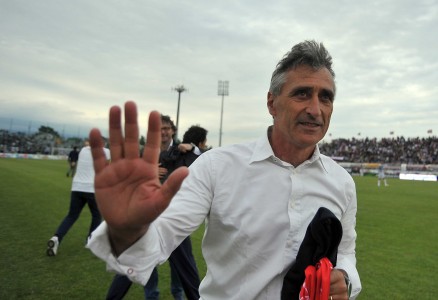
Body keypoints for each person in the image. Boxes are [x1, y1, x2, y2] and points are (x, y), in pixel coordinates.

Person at [87, 40, 361, 299]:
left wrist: (345, 278)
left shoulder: (342, 183)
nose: (315, 109)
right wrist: (129, 229)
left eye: (325, 97)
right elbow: (160, 238)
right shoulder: (217, 166)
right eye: (302, 93)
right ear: (271, 103)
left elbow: (346, 251)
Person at [106, 118, 206, 300]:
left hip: (174, 219)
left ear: (173, 131)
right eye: (159, 129)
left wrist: (194, 149)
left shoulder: (182, 151)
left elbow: (202, 167)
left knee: (186, 269)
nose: (163, 132)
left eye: (166, 128)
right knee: (132, 262)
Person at [47, 141, 110, 256]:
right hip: (93, 189)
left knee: (71, 215)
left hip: (77, 188)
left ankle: (56, 238)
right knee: (96, 215)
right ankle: (90, 241)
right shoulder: (104, 151)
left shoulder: (83, 151)